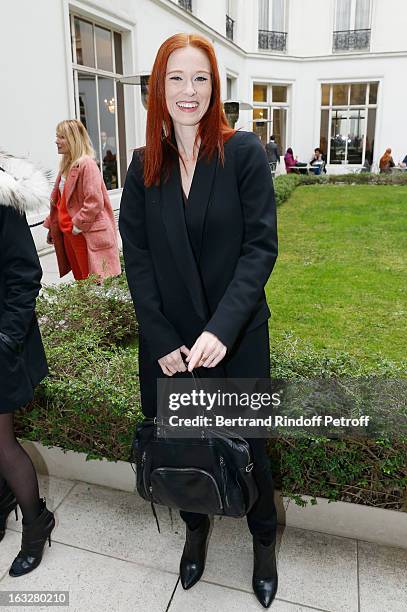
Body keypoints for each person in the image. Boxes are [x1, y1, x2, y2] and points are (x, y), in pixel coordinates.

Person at [119, 33, 279, 609]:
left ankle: (264, 541)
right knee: (182, 446)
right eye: (177, 79)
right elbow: (135, 258)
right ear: (158, 89)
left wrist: (221, 329)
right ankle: (195, 531)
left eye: (201, 79)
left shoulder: (242, 154)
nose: (189, 91)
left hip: (234, 340)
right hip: (170, 348)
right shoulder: (142, 167)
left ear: (215, 87)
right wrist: (160, 335)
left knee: (251, 451)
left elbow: (260, 249)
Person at [0, 152, 55, 577]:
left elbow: (24, 274)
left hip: (2, 345)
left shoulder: (4, 197)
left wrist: (5, 339)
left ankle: (36, 524)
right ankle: (3, 504)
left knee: (3, 443)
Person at [44, 119, 121, 281]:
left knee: (90, 281)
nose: (56, 141)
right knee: (81, 279)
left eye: (61, 137)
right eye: (57, 136)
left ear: (73, 139)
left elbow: (94, 202)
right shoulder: (67, 165)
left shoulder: (87, 164)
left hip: (83, 233)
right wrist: (52, 224)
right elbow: (61, 202)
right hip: (69, 234)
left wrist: (77, 225)